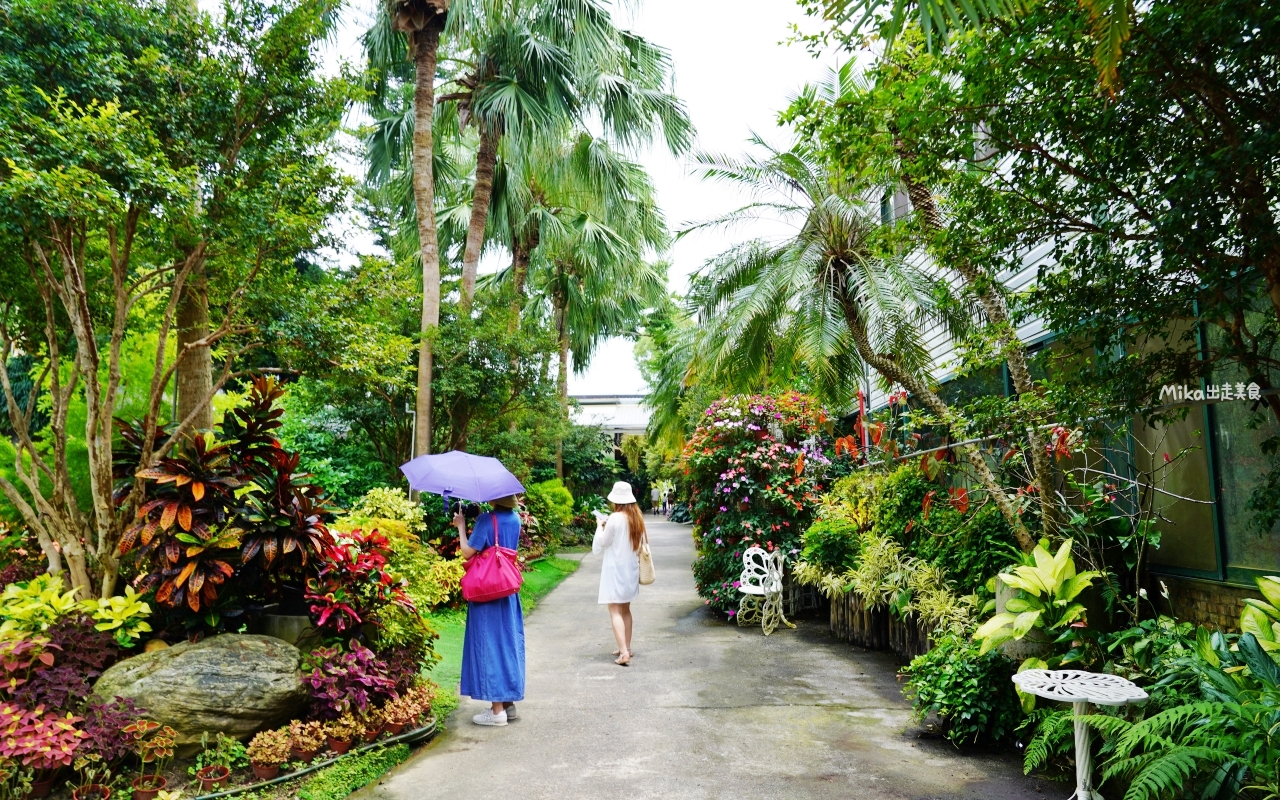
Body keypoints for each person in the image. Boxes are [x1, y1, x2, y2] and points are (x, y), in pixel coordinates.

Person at [455, 495, 525, 726]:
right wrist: (480, 518)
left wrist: (462, 526)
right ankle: (508, 704)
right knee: (506, 644)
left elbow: (467, 552)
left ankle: (497, 713)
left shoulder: (487, 520)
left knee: (489, 644)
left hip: (488, 592)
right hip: (506, 591)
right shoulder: (515, 519)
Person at [594, 481, 646, 665]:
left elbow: (603, 541)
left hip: (615, 569)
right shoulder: (637, 518)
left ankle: (623, 652)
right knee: (625, 609)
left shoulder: (615, 518)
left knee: (614, 610)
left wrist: (600, 525)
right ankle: (627, 647)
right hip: (630, 569)